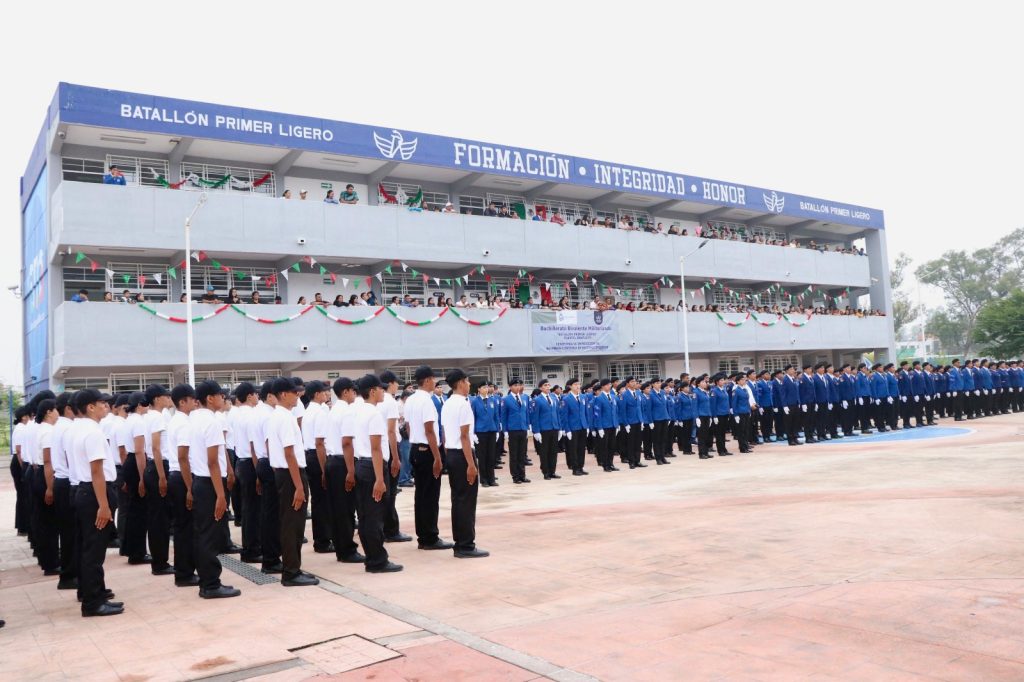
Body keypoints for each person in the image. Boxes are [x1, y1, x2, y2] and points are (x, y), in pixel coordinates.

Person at [342, 375, 403, 573]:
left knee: (366, 515)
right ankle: (377, 560)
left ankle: (372, 557)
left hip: (362, 465)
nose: (383, 392)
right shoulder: (374, 414)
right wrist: (379, 479)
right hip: (372, 467)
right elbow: (376, 448)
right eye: (380, 389)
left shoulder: (358, 411)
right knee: (374, 516)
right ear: (372, 391)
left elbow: (349, 442)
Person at [70, 389, 122, 616]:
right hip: (94, 493)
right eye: (102, 403)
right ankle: (92, 603)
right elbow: (96, 471)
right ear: (90, 407)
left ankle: (94, 593)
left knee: (89, 547)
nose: (106, 406)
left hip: (85, 491)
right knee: (94, 551)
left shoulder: (80, 429)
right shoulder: (92, 433)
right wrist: (103, 505)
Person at [188, 381, 241, 599]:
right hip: (209, 483)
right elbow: (212, 462)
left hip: (200, 481)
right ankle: (210, 584)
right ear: (209, 398)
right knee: (210, 535)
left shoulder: (194, 419)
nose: (223, 398)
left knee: (203, 534)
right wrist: (220, 495)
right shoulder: (211, 422)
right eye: (220, 395)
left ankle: (206, 581)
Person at [266, 378, 318, 586]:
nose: (298, 396)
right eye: (294, 392)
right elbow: (289, 453)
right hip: (291, 474)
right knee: (292, 524)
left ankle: (293, 567)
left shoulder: (276, 416)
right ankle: (291, 572)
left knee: (291, 523)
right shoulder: (285, 418)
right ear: (283, 394)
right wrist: (298, 486)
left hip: (284, 473)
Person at [441, 369, 489, 559]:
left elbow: (445, 434)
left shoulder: (447, 403)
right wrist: (471, 464)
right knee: (467, 502)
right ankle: (466, 545)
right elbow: (464, 436)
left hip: (452, 453)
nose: (469, 385)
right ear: (460, 383)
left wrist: (449, 455)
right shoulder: (463, 404)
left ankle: (460, 542)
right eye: (468, 381)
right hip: (463, 455)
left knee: (458, 500)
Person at [403, 366, 452, 551]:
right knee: (430, 496)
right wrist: (437, 458)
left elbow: (408, 426)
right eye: (433, 379)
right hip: (428, 451)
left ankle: (423, 536)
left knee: (421, 495)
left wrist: (415, 444)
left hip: (416, 448)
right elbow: (430, 431)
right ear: (427, 380)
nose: (435, 382)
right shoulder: (427, 401)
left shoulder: (411, 399)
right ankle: (430, 537)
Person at [324, 377, 365, 564]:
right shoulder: (347, 412)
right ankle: (347, 550)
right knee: (346, 509)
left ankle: (341, 548)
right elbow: (347, 442)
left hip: (333, 461)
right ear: (346, 392)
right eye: (353, 391)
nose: (355, 394)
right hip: (343, 463)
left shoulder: (333, 410)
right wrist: (351, 471)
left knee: (337, 509)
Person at [166, 384, 199, 587]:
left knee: (183, 527)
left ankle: (184, 571)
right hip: (182, 477)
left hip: (178, 475)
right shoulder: (183, 423)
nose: (195, 402)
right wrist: (190, 488)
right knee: (186, 528)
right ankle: (185, 573)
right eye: (192, 399)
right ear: (182, 402)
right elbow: (183, 457)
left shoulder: (176, 420)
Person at [142, 384, 175, 576]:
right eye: (164, 395)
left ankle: (159, 560)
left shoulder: (149, 416)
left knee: (158, 517)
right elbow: (156, 448)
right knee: (159, 519)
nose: (168, 397)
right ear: (156, 399)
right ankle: (160, 563)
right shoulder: (156, 417)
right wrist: (162, 476)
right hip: (158, 467)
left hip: (154, 466)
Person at [378, 371, 412, 543]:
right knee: (390, 492)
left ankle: (383, 527)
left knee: (384, 492)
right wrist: (396, 457)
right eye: (395, 383)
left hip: (378, 448)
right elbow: (391, 431)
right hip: (390, 448)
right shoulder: (389, 401)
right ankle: (391, 530)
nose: (397, 386)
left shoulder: (373, 401)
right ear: (390, 384)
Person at [530, 379, 561, 479]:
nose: (547, 387)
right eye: (545, 385)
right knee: (544, 452)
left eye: (548, 385)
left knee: (553, 451)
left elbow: (557, 414)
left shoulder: (554, 398)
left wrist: (560, 428)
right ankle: (546, 472)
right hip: (544, 429)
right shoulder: (537, 400)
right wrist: (536, 431)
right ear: (540, 388)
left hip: (554, 428)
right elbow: (535, 417)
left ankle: (552, 471)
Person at [501, 378, 531, 483]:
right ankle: (515, 476)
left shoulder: (524, 398)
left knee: (522, 454)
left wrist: (527, 426)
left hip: (523, 428)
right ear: (510, 387)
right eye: (515, 385)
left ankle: (522, 475)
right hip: (512, 430)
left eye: (519, 385)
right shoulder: (506, 399)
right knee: (514, 454)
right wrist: (505, 431)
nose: (518, 387)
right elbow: (503, 416)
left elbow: (526, 413)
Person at [471, 382, 500, 486]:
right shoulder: (475, 401)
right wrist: (473, 433)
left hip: (491, 430)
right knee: (482, 456)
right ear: (479, 389)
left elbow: (496, 416)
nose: (486, 389)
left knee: (491, 456)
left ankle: (491, 479)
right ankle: (484, 479)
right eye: (483, 387)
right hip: (480, 432)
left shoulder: (492, 400)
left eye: (487, 387)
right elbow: (473, 417)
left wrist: (497, 430)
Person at [559, 378, 590, 475]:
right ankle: (575, 468)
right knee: (573, 449)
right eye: (575, 384)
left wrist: (587, 426)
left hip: (582, 426)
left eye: (578, 384)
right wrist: (567, 430)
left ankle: (581, 467)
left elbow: (586, 413)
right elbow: (564, 416)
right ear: (570, 386)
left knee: (581, 448)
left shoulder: (583, 397)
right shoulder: (566, 399)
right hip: (572, 428)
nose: (577, 386)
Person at [730, 374, 753, 454]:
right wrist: (736, 415)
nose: (744, 381)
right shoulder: (736, 390)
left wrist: (749, 411)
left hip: (746, 411)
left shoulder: (745, 390)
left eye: (744, 380)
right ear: (738, 381)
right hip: (740, 412)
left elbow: (747, 402)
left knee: (746, 430)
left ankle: (746, 446)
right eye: (742, 380)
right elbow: (734, 403)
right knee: (741, 431)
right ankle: (742, 447)